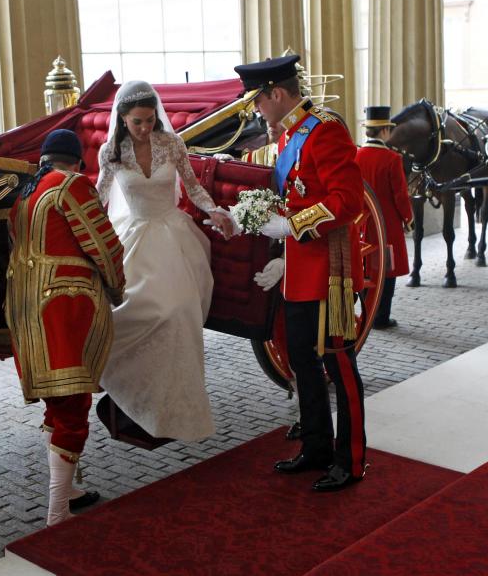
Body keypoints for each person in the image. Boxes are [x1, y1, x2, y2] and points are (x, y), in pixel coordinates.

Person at [238, 55, 367, 491]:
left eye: (258, 101)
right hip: (298, 267)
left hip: (329, 267)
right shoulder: (290, 134)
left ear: (275, 93)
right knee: (302, 361)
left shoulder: (325, 129)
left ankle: (350, 461)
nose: (256, 110)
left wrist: (292, 226)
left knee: (338, 363)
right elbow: (291, 196)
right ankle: (316, 446)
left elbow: (347, 201)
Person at [95, 80, 235, 442]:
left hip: (173, 238)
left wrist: (215, 211)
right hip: (134, 237)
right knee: (132, 310)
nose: (144, 128)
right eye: (137, 122)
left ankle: (178, 402)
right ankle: (130, 385)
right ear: (123, 119)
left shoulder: (171, 143)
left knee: (179, 309)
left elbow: (193, 187)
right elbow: (98, 198)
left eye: (149, 120)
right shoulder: (110, 152)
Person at [5, 129, 125, 526]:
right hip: (62, 308)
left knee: (57, 405)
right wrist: (117, 286)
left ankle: (68, 491)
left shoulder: (25, 193)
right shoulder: (70, 184)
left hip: (24, 310)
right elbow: (103, 244)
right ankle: (57, 514)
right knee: (73, 407)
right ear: (76, 162)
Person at [356, 106, 413, 330]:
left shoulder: (356, 155)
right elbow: (400, 195)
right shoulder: (392, 159)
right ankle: (381, 317)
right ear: (384, 132)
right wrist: (408, 219)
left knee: (366, 269)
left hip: (362, 227)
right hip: (386, 228)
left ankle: (367, 312)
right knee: (386, 273)